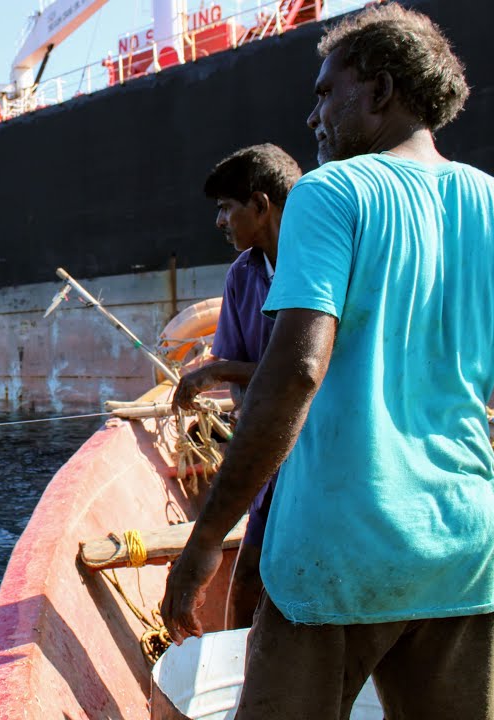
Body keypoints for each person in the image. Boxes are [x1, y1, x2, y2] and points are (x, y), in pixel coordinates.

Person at [159, 4, 494, 719]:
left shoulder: (331, 195)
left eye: (327, 92)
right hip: (465, 550)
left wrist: (206, 542)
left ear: (382, 91)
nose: (313, 115)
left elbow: (295, 373)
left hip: (339, 555)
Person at [172, 143, 302, 628]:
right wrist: (223, 372)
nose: (220, 222)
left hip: (321, 455)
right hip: (263, 456)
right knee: (248, 578)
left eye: (226, 208)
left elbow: (307, 371)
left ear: (261, 205)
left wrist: (221, 372)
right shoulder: (241, 276)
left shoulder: (319, 263)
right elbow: (238, 361)